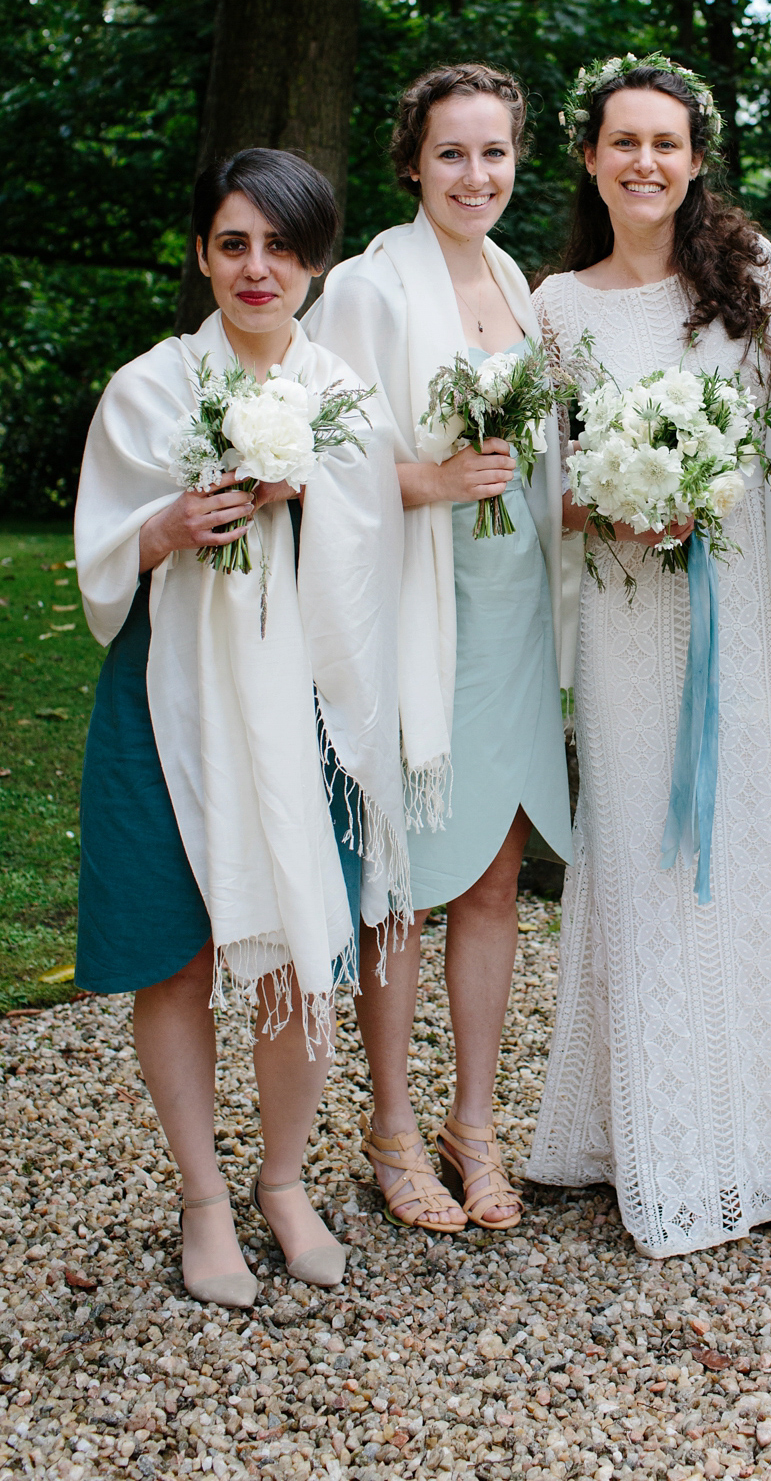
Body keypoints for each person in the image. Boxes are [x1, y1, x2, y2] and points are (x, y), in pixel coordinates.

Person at [526, 53, 771, 1258]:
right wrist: (618, 500)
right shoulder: (559, 307)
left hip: (738, 598)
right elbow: (542, 484)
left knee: (760, 841)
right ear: (589, 158)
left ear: (695, 160)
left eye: (666, 144)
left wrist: (710, 497)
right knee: (641, 850)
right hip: (626, 618)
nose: (645, 162)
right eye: (622, 142)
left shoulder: (748, 276)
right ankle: (666, 1146)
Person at [74, 148, 408, 1306]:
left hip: (306, 706)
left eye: (281, 246)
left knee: (305, 941)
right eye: (233, 243)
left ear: (316, 260)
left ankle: (283, 1181)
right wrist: (166, 525)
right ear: (203, 254)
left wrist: (308, 493)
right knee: (173, 949)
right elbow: (103, 552)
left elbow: (377, 555)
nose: (257, 269)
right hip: (168, 695)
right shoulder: (152, 388)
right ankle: (204, 1198)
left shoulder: (346, 394)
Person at [305, 64, 572, 1234]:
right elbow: (316, 456)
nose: (477, 176)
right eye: (453, 154)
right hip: (422, 609)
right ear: (412, 161)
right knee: (403, 883)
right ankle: (394, 1129)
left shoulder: (519, 279)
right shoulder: (368, 287)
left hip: (515, 612)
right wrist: (428, 480)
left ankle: (475, 1120)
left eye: (496, 154)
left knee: (497, 875)